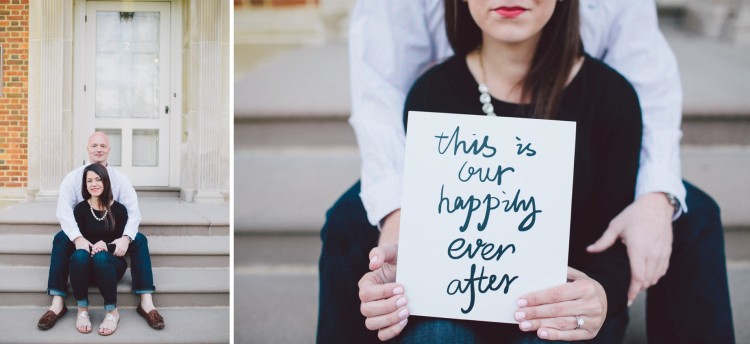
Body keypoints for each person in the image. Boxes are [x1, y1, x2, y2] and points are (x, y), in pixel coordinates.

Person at [318, 0, 734, 343]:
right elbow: (378, 86)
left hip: (585, 181)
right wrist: (393, 251)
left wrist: (657, 197)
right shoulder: (433, 92)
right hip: (455, 263)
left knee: (691, 214)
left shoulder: (610, 96)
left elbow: (647, 71)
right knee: (352, 227)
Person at [36, 132, 166, 331]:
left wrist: (125, 238)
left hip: (111, 236)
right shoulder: (73, 178)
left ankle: (146, 302)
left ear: (109, 150)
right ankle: (57, 302)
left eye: (103, 146)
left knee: (139, 239)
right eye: (94, 145)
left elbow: (133, 212)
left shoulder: (120, 179)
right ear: (87, 149)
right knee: (60, 238)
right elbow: (63, 211)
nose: (98, 149)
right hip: (82, 237)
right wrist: (78, 238)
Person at [69, 163, 129, 335]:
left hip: (111, 263)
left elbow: (124, 243)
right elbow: (77, 239)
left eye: (98, 179)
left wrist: (105, 247)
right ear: (85, 184)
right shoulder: (80, 209)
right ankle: (82, 310)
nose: (93, 184)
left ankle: (112, 312)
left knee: (101, 257)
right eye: (89, 180)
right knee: (80, 255)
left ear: (106, 181)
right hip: (85, 266)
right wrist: (91, 248)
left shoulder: (119, 210)